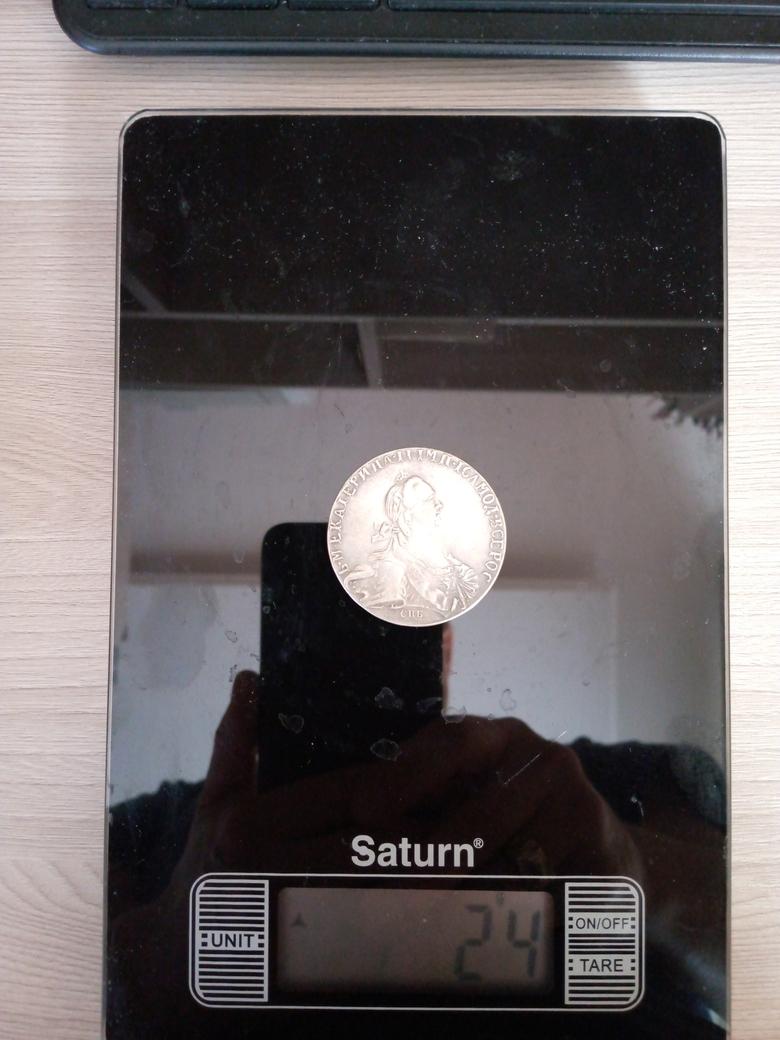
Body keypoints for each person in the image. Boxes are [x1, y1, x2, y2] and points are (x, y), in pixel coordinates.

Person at [346, 473, 479, 619]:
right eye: (429, 500)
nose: (439, 504)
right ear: (408, 514)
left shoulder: (457, 568)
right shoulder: (390, 572)